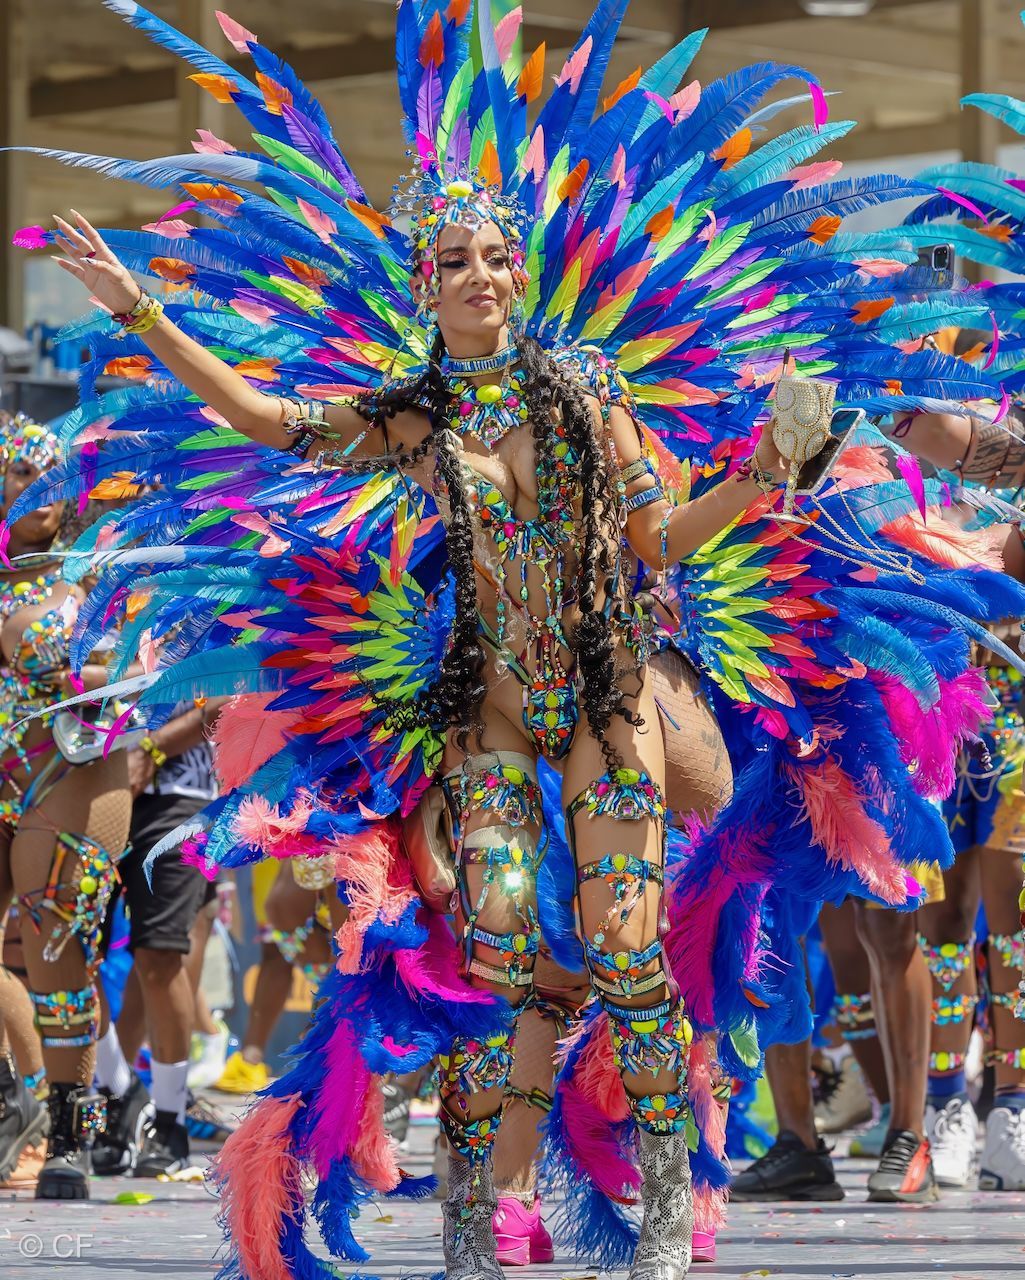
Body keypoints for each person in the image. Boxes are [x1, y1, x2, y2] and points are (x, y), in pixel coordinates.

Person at [19, 3, 1023, 1276]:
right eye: (456, 262)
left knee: (621, 956)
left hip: (610, 713)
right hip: (485, 716)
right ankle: (474, 1224)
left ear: (520, 270)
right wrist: (147, 320)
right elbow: (275, 424)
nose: (483, 274)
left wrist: (764, 470)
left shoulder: (585, 384)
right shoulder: (418, 413)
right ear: (425, 286)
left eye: (498, 255)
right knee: (492, 957)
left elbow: (660, 537)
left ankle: (662, 1213)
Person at [0, 412, 131, 1199]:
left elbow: (155, 663)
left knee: (54, 955)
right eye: (17, 474)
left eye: (47, 477)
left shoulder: (98, 568)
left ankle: (69, 1139)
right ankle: (20, 1103)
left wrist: (98, 663)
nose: (32, 491)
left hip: (70, 772)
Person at [92, 694, 226, 1177]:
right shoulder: (73, 618)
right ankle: (118, 1091)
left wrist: (151, 751)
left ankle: (169, 1120)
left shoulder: (208, 617)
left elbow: (226, 700)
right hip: (84, 789)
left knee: (159, 954)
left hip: (179, 796)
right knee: (74, 955)